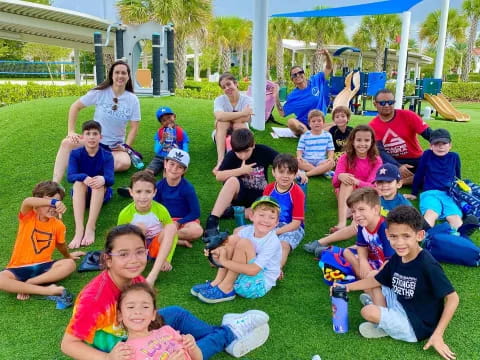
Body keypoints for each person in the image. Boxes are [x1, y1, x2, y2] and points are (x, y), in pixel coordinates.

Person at [61, 224, 270, 360]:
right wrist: (109, 358)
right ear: (108, 259)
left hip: (135, 326)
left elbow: (148, 313)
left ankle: (220, 337)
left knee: (177, 314)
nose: (134, 260)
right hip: (120, 348)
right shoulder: (94, 298)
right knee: (180, 354)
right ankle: (229, 333)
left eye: (139, 252)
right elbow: (68, 344)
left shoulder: (135, 278)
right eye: (123, 254)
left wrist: (161, 333)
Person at [337, 206, 459, 360]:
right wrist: (346, 287)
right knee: (374, 274)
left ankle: (382, 324)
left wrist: (438, 334)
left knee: (367, 312)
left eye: (406, 236)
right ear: (387, 235)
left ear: (419, 235)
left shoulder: (428, 264)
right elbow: (376, 279)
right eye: (394, 236)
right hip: (401, 302)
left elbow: (453, 298)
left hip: (416, 324)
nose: (399, 243)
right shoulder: (398, 256)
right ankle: (383, 317)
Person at [52, 60, 141, 183]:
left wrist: (126, 146)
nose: (120, 76)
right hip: (93, 141)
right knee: (66, 143)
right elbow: (75, 107)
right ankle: (55, 183)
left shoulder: (133, 99)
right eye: (117, 72)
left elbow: (134, 127)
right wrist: (71, 131)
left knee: (124, 163)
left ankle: (88, 167)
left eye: (123, 73)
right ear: (111, 75)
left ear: (128, 76)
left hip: (114, 147)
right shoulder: (100, 93)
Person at [304, 163, 411, 257]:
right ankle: (322, 242)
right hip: (372, 233)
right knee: (357, 227)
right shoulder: (375, 197)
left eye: (388, 182)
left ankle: (335, 252)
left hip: (390, 238)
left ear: (399, 184)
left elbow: (410, 228)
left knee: (366, 248)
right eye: (380, 182)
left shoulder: (404, 205)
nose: (384, 186)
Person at [0, 181, 83, 301]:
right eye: (48, 202)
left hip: (44, 266)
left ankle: (29, 284)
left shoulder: (58, 225)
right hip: (18, 268)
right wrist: (54, 202)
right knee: (1, 279)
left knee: (69, 264)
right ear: (38, 203)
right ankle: (47, 290)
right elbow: (27, 201)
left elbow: (60, 245)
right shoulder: (28, 216)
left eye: (56, 204)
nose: (53, 207)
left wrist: (69, 256)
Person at [192, 196, 282, 304]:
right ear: (251, 216)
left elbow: (253, 270)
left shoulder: (272, 241)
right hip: (242, 274)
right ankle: (218, 282)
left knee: (244, 243)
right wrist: (216, 252)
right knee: (233, 240)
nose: (266, 220)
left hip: (257, 285)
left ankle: (226, 288)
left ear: (276, 223)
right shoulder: (248, 230)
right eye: (261, 215)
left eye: (271, 217)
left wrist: (224, 261)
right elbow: (228, 244)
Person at [204, 128, 278, 238]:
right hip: (239, 196)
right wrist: (241, 171)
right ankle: (213, 220)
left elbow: (282, 160)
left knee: (268, 213)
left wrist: (298, 171)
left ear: (253, 145)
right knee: (232, 180)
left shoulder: (263, 151)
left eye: (246, 151)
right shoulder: (231, 156)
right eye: (239, 152)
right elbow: (219, 176)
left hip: (260, 199)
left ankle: (231, 212)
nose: (243, 156)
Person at [117, 171, 177, 285]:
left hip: (156, 247)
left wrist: (167, 258)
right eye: (138, 192)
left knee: (171, 227)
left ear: (154, 192)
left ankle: (152, 276)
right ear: (131, 192)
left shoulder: (161, 210)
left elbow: (172, 235)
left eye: (148, 191)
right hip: (137, 248)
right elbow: (119, 240)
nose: (143, 197)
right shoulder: (125, 214)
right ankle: (135, 265)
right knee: (139, 228)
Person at [117, 282, 202, 360]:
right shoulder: (125, 352)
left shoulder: (167, 330)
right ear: (120, 315)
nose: (138, 311)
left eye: (145, 307)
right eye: (131, 307)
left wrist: (193, 347)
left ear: (153, 314)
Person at [67, 120, 114, 249]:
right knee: (78, 183)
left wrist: (103, 179)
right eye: (88, 133)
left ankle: (90, 227)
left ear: (101, 137)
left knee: (98, 184)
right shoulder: (75, 154)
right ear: (82, 137)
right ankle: (79, 229)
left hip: (101, 195)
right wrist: (84, 177)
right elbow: (70, 176)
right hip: (80, 194)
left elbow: (111, 179)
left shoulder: (107, 155)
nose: (92, 137)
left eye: (95, 133)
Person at [369, 88, 432, 185]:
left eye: (390, 102)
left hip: (415, 158)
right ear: (375, 104)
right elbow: (380, 151)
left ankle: (402, 181)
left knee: (435, 171)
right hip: (391, 161)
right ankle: (412, 179)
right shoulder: (372, 126)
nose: (386, 105)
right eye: (382, 103)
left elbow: (428, 134)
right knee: (376, 168)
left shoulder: (409, 115)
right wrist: (398, 166)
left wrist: (442, 143)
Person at [331, 124, 383, 232]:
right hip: (347, 194)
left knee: (353, 183)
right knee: (347, 182)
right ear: (353, 141)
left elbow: (373, 186)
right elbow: (335, 184)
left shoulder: (376, 160)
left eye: (366, 140)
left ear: (372, 142)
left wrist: (357, 181)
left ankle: (352, 216)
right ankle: (342, 223)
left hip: (366, 194)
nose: (362, 144)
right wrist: (340, 176)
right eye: (359, 140)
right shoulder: (345, 157)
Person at [410, 128, 463, 231]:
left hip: (449, 193)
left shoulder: (454, 157)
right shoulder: (427, 155)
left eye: (444, 143)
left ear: (450, 145)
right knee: (431, 212)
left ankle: (459, 237)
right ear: (431, 145)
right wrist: (414, 192)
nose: (440, 146)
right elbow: (419, 174)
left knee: (454, 216)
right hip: (430, 192)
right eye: (436, 143)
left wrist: (458, 191)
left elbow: (458, 176)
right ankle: (427, 236)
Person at [342, 188, 395, 283]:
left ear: (376, 209)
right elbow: (361, 246)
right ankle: (365, 278)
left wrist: (377, 273)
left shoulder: (384, 228)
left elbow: (391, 260)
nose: (357, 215)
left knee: (374, 275)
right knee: (347, 252)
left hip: (389, 264)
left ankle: (368, 283)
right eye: (353, 211)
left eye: (361, 209)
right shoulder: (363, 224)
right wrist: (363, 261)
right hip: (375, 257)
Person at [263, 154, 305, 270]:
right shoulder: (268, 189)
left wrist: (276, 232)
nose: (285, 176)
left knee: (283, 245)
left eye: (290, 173)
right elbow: (263, 211)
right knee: (247, 235)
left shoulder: (297, 193)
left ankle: (276, 269)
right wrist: (266, 228)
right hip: (271, 224)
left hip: (291, 227)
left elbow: (296, 223)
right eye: (281, 172)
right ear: (273, 172)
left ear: (295, 174)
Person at [277, 49, 332, 136]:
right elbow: (282, 113)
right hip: (303, 125)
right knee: (291, 122)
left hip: (319, 122)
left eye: (300, 72)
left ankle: (314, 133)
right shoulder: (292, 96)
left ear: (304, 74)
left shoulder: (316, 79)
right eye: (294, 75)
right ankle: (310, 135)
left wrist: (327, 55)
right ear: (292, 80)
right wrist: (275, 96)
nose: (298, 75)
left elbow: (328, 68)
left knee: (338, 124)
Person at [154, 149, 203, 248]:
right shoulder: (159, 185)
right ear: (165, 163)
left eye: (179, 167)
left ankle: (164, 237)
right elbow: (155, 206)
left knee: (197, 231)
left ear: (184, 170)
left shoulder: (187, 188)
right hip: (166, 221)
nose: (174, 169)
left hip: (184, 221)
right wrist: (163, 221)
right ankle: (177, 241)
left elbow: (196, 212)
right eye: (171, 164)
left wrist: (178, 222)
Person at [213, 72, 253, 171]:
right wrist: (242, 113)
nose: (227, 88)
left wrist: (225, 118)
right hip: (221, 134)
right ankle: (221, 161)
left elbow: (246, 118)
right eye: (223, 87)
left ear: (235, 84)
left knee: (238, 124)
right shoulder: (219, 100)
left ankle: (242, 159)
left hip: (241, 131)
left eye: (229, 84)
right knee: (222, 123)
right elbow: (219, 115)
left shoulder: (248, 100)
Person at [147, 106, 189, 176]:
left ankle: (166, 175)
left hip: (174, 158)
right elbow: (156, 150)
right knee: (148, 172)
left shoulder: (180, 132)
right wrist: (162, 140)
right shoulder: (160, 133)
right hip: (160, 157)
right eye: (164, 120)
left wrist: (183, 159)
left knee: (168, 175)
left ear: (174, 116)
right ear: (161, 123)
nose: (168, 121)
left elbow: (185, 148)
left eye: (169, 117)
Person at [296, 110, 335, 178]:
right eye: (313, 121)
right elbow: (300, 149)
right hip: (307, 160)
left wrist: (330, 158)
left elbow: (330, 150)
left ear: (323, 122)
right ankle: (321, 171)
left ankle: (307, 174)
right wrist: (299, 156)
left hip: (321, 161)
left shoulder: (328, 135)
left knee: (331, 163)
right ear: (309, 124)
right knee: (296, 161)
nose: (316, 123)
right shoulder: (305, 135)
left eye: (319, 121)